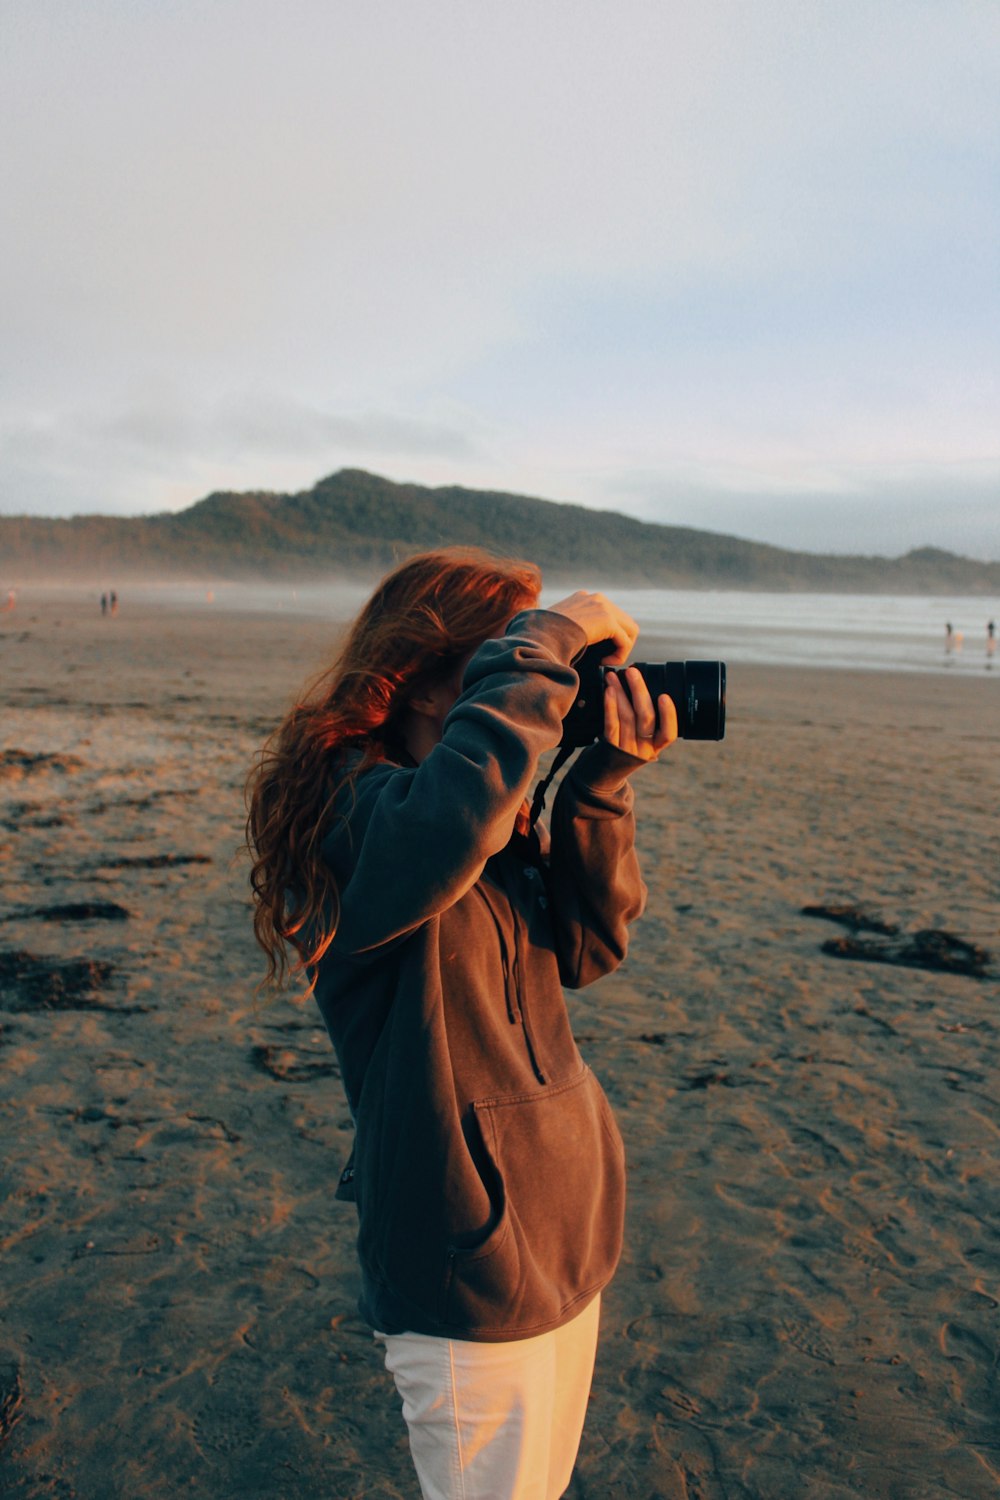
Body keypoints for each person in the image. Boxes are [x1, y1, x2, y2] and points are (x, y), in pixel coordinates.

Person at [245, 548, 676, 1500]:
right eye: (509, 660)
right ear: (424, 672)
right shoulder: (353, 810)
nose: (546, 689)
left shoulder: (489, 808)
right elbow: (441, 828)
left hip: (565, 1230)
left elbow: (590, 947)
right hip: (462, 1257)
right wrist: (554, 632)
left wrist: (599, 783)